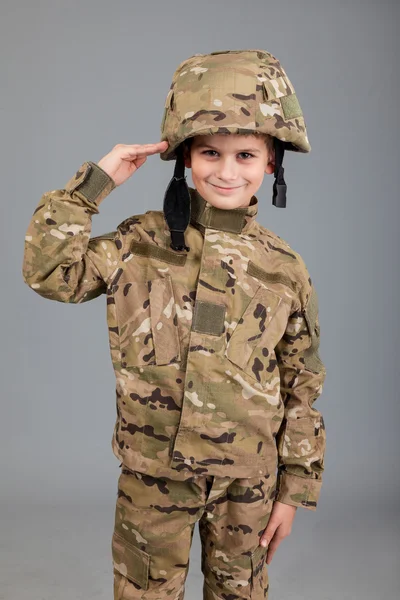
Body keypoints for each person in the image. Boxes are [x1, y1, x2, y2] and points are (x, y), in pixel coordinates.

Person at [22, 49, 327, 600]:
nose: (227, 171)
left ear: (272, 163)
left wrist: (295, 489)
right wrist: (94, 184)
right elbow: (50, 273)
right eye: (210, 152)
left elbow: (302, 382)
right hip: (153, 478)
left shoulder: (284, 268)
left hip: (247, 484)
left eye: (246, 155)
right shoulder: (139, 242)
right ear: (186, 156)